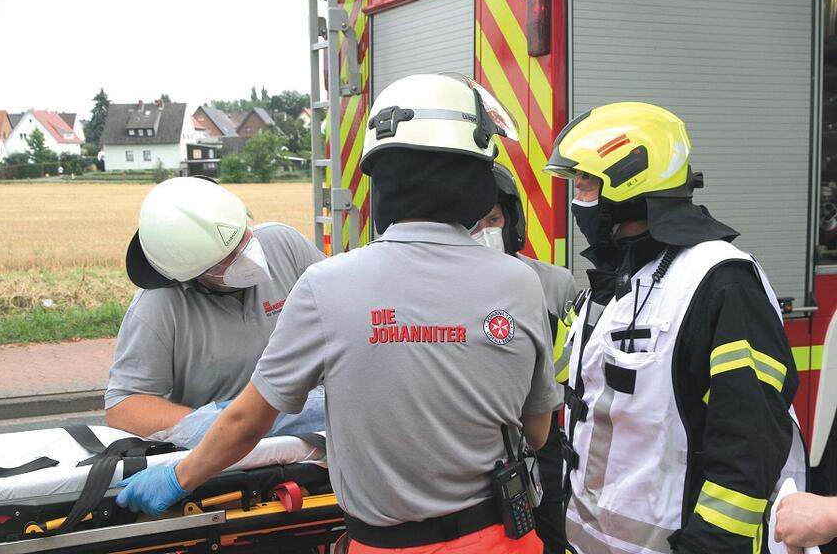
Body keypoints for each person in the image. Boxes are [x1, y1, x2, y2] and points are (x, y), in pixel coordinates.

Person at [116, 73, 561, 554]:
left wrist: (178, 479)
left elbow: (247, 423)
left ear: (382, 179)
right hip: (502, 539)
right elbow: (536, 431)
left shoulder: (326, 285)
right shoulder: (524, 284)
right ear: (476, 179)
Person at [543, 102, 807, 553]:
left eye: (585, 182)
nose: (577, 197)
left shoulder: (719, 282)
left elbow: (747, 449)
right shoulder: (614, 282)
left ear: (628, 180)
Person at [105, 175, 325, 441]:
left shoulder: (285, 246)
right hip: (226, 461)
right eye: (225, 260)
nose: (247, 256)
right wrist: (223, 427)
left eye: (243, 238)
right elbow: (124, 407)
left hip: (313, 438)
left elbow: (344, 313)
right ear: (191, 274)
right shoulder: (158, 307)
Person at [471, 163, 577, 552]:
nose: (485, 232)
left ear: (512, 219)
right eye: (474, 222)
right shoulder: (449, 290)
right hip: (482, 442)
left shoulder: (554, 283)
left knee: (550, 537)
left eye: (494, 219)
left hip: (543, 439)